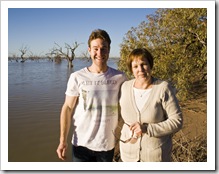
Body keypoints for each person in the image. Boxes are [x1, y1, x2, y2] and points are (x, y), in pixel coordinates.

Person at [56, 29, 127, 162]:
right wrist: (62, 141)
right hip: (81, 145)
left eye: (103, 48)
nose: (99, 53)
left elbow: (129, 105)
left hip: (107, 146)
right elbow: (67, 108)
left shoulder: (120, 77)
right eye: (95, 48)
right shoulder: (77, 77)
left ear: (109, 50)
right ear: (89, 50)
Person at [118, 48, 183, 162]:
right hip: (128, 155)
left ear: (150, 65)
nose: (140, 70)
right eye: (136, 66)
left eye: (144, 64)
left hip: (155, 157)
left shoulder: (163, 88)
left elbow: (177, 121)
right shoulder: (124, 87)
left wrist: (147, 128)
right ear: (131, 70)